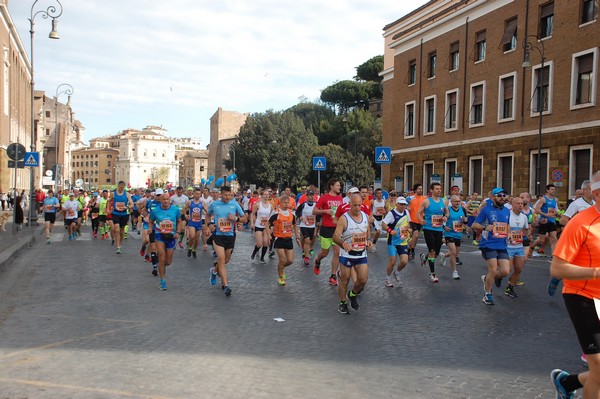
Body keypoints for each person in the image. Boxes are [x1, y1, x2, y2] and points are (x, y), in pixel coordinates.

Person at [548, 171, 600, 399]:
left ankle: (567, 383)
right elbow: (557, 269)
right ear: (597, 193)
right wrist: (596, 272)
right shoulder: (580, 223)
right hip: (582, 296)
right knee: (599, 365)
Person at [547, 180, 595, 296]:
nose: (593, 191)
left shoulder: (595, 204)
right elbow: (563, 220)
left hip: (592, 239)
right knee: (573, 262)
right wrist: (577, 229)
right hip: (578, 238)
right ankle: (557, 278)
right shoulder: (576, 204)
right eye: (590, 189)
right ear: (584, 191)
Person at [333, 192, 372, 314]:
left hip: (361, 253)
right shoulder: (344, 219)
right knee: (345, 280)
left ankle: (352, 294)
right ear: (350, 204)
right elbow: (335, 236)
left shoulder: (365, 216)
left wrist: (369, 240)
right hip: (347, 254)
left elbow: (367, 230)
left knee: (362, 280)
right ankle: (343, 303)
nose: (357, 208)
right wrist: (342, 243)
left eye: (359, 205)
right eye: (355, 205)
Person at [473, 187, 511, 305]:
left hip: (501, 244)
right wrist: (485, 227)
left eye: (504, 195)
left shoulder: (507, 211)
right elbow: (475, 224)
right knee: (493, 269)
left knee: (505, 271)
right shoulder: (486, 210)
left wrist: (509, 234)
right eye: (499, 195)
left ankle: (487, 278)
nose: (502, 198)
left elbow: (507, 225)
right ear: (493, 197)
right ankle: (487, 294)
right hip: (488, 244)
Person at [207, 186, 247, 296]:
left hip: (230, 236)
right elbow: (207, 215)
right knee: (221, 258)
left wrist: (237, 219)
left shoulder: (234, 204)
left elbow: (245, 218)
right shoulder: (214, 204)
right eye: (225, 195)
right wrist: (209, 225)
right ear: (221, 194)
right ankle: (225, 285)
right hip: (218, 235)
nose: (227, 197)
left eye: (229, 195)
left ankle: (214, 271)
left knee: (226, 260)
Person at [148, 191, 182, 290]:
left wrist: (178, 232)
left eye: (167, 199)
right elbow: (151, 221)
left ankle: (162, 265)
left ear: (170, 200)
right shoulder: (155, 210)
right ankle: (162, 280)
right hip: (159, 235)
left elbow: (179, 221)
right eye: (164, 199)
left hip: (171, 236)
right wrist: (150, 229)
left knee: (168, 262)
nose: (166, 201)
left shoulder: (175, 210)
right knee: (162, 258)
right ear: (161, 200)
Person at [313, 178, 343, 286]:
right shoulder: (324, 198)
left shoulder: (340, 198)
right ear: (331, 186)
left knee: (337, 252)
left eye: (339, 185)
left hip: (336, 229)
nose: (339, 187)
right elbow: (314, 211)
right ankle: (318, 260)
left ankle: (333, 276)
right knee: (324, 253)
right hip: (326, 228)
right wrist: (325, 211)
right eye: (337, 185)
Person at [417, 182, 448, 283]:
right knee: (432, 251)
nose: (439, 190)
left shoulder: (443, 202)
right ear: (431, 190)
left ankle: (424, 257)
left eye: (440, 188)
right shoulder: (427, 202)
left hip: (439, 229)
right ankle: (432, 274)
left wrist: (445, 217)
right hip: (428, 229)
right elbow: (418, 213)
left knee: (436, 253)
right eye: (436, 189)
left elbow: (447, 212)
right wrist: (421, 220)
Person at [266, 195, 300, 285]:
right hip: (278, 238)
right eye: (284, 203)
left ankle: (281, 268)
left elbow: (295, 225)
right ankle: (280, 277)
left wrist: (297, 237)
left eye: (287, 202)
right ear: (280, 203)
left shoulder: (292, 213)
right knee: (282, 259)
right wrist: (268, 234)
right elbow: (267, 223)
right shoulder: (276, 213)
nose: (286, 204)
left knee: (290, 261)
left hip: (289, 238)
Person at [382, 196, 411, 287]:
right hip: (393, 242)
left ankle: (397, 272)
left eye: (404, 205)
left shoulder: (406, 212)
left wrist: (409, 229)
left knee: (404, 261)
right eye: (401, 204)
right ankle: (388, 279)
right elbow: (383, 224)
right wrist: (390, 231)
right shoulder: (392, 213)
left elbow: (408, 224)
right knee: (392, 261)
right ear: (397, 204)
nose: (403, 206)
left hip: (403, 241)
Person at [504, 197, 529, 298]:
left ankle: (510, 287)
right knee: (507, 270)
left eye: (522, 204)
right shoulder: (507, 215)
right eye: (518, 204)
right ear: (513, 205)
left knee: (518, 269)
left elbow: (527, 229)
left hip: (519, 246)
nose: (520, 205)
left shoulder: (524, 217)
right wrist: (508, 234)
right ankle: (496, 277)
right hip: (508, 246)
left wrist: (527, 235)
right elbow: (502, 227)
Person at [441, 195, 467, 280]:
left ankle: (444, 256)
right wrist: (444, 227)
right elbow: (441, 220)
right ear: (451, 202)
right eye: (455, 201)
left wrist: (465, 222)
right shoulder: (447, 209)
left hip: (458, 234)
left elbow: (464, 219)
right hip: (449, 233)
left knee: (456, 253)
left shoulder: (462, 209)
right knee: (453, 251)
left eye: (459, 201)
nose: (457, 203)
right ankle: (455, 272)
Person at [531, 184, 559, 257]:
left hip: (552, 221)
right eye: (552, 189)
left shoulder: (555, 200)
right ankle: (532, 247)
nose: (553, 191)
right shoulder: (543, 199)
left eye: (554, 189)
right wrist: (545, 214)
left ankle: (553, 256)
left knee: (554, 238)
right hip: (544, 221)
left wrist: (555, 213)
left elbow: (556, 210)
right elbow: (537, 210)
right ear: (547, 190)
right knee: (541, 239)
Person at [250, 188, 273, 263]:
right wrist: (252, 223)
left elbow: (271, 217)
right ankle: (255, 251)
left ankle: (262, 258)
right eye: (265, 194)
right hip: (258, 225)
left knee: (266, 243)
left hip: (266, 226)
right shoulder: (257, 204)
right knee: (259, 243)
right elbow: (252, 214)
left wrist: (272, 226)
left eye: (268, 194)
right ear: (262, 195)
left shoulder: (271, 206)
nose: (267, 196)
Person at [295, 190, 317, 266]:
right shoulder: (303, 204)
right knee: (307, 240)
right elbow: (297, 211)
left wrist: (318, 220)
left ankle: (306, 250)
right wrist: (300, 216)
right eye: (309, 195)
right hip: (304, 225)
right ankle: (306, 258)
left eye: (312, 195)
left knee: (311, 238)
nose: (311, 197)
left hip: (312, 225)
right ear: (307, 196)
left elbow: (319, 213)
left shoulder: (316, 205)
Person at [111, 181, 134, 254]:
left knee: (121, 230)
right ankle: (118, 246)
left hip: (124, 214)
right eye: (121, 187)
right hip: (115, 213)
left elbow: (132, 204)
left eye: (123, 187)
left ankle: (120, 243)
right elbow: (109, 201)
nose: (122, 189)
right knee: (117, 229)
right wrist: (108, 208)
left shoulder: (127, 194)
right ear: (118, 186)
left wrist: (126, 207)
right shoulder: (113, 194)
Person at [407, 184, 426, 260]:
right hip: (412, 219)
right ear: (415, 190)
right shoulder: (410, 198)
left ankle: (411, 250)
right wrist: (407, 208)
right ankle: (410, 248)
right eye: (419, 189)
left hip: (420, 220)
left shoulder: (424, 198)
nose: (420, 190)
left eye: (421, 188)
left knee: (416, 238)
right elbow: (404, 205)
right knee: (416, 235)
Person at [184, 188, 204, 258]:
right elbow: (184, 209)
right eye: (196, 194)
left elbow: (208, 210)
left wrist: (211, 214)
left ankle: (194, 250)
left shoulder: (202, 202)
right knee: (192, 236)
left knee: (197, 239)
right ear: (194, 194)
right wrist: (185, 215)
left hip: (199, 222)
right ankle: (190, 248)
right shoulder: (190, 202)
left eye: (199, 194)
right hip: (191, 222)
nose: (198, 195)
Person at [371, 188, 386, 253]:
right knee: (378, 231)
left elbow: (386, 210)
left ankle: (373, 242)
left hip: (381, 218)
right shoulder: (373, 201)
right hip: (374, 218)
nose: (380, 194)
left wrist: (383, 211)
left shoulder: (384, 201)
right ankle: (373, 244)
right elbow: (369, 209)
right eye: (378, 193)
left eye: (381, 193)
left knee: (378, 232)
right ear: (376, 194)